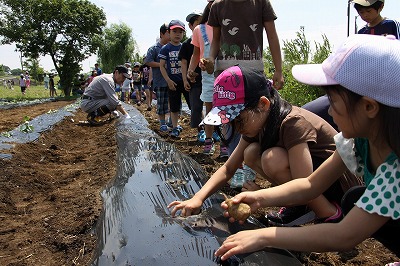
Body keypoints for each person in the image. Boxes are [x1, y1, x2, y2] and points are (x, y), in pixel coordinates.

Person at [213, 34, 400, 261]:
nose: (329, 112)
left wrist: (265, 236)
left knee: (355, 201)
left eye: (332, 102)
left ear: (369, 107)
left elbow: (344, 235)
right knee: (355, 198)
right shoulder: (358, 141)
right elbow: (310, 184)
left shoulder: (395, 172)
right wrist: (260, 198)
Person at [168, 65, 360, 227]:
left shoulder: (293, 123)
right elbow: (228, 168)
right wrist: (198, 198)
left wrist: (259, 197)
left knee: (272, 159)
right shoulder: (258, 122)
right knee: (251, 152)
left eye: (239, 120)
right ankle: (302, 207)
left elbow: (305, 183)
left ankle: (329, 214)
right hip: (310, 183)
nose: (236, 129)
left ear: (263, 104)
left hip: (339, 185)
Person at [205, 0, 285, 186]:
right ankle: (235, 167)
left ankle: (249, 166)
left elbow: (272, 36)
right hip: (225, 72)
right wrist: (210, 59)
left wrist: (278, 69)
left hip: (253, 71)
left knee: (255, 119)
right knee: (229, 120)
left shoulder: (261, 3)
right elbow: (216, 39)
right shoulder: (217, 6)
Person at [301, 0, 400, 132]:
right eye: (361, 12)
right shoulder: (362, 32)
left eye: (368, 11)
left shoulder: (391, 25)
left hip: (384, 84)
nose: (365, 15)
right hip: (360, 83)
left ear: (380, 7)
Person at [188, 1, 228, 157]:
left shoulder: (228, 28)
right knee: (210, 110)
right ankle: (209, 141)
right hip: (208, 75)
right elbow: (196, 54)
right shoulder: (200, 29)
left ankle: (225, 143)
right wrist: (191, 70)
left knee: (225, 110)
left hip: (227, 73)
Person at [159, 19, 190, 138]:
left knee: (193, 104)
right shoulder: (166, 48)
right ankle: (175, 128)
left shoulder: (185, 47)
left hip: (185, 81)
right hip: (173, 82)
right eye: (174, 31)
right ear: (169, 33)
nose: (178, 34)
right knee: (174, 106)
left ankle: (201, 128)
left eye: (180, 32)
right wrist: (168, 80)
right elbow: (161, 66)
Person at [179, 10, 205, 144]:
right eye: (198, 23)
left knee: (213, 106)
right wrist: (185, 79)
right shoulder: (187, 44)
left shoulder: (209, 41)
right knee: (196, 107)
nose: (201, 25)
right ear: (190, 26)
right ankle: (201, 130)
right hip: (195, 80)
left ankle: (216, 131)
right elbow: (184, 63)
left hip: (208, 78)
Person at [144, 23, 171, 133]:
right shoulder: (154, 48)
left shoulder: (173, 47)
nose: (171, 36)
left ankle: (171, 121)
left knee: (173, 101)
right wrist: (161, 65)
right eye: (169, 33)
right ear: (162, 34)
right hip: (160, 80)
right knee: (161, 102)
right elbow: (148, 62)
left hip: (172, 80)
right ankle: (162, 123)